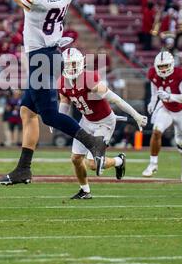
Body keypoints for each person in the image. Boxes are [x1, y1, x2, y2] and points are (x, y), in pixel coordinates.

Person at [0, 0, 110, 185]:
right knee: (27, 111)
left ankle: (93, 142)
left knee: (48, 115)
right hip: (51, 53)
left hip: (41, 57)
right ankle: (23, 169)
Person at [59, 48, 148, 199]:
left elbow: (115, 99)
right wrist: (58, 118)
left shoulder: (89, 78)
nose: (71, 68)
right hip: (86, 121)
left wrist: (136, 115)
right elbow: (64, 102)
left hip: (104, 122)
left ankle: (119, 161)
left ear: (80, 64)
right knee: (75, 159)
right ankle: (85, 191)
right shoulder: (62, 81)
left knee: (92, 164)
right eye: (68, 64)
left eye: (74, 64)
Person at [143, 51, 182, 182]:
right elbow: (155, 92)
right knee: (157, 130)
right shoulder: (153, 73)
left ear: (171, 64)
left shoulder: (181, 74)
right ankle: (153, 164)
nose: (163, 69)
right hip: (166, 107)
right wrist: (152, 102)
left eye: (166, 66)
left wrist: (171, 97)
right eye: (160, 67)